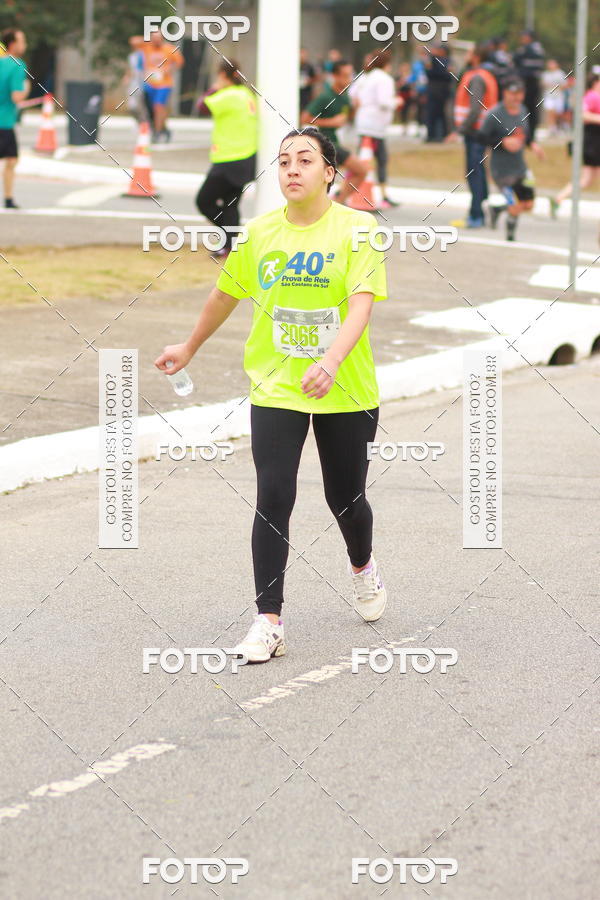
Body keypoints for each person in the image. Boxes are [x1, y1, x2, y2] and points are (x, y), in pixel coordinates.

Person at [154, 126, 388, 662]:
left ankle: (362, 565)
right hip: (276, 384)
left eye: (305, 160)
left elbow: (361, 304)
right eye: (283, 161)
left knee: (345, 498)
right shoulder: (258, 233)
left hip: (345, 387)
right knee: (273, 497)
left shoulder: (358, 229)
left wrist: (330, 362)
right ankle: (268, 621)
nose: (292, 170)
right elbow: (225, 293)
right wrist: (189, 346)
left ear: (330, 172)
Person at [195, 59, 257, 257]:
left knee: (204, 201)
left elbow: (201, 107)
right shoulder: (247, 94)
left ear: (223, 74)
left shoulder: (228, 95)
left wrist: (214, 88)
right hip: (247, 156)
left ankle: (230, 238)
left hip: (229, 158)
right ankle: (230, 246)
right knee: (231, 204)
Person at [478, 77, 544, 241]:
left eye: (520, 93)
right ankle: (510, 236)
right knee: (514, 205)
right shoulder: (494, 114)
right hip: (501, 170)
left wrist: (532, 145)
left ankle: (497, 210)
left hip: (520, 167)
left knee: (528, 204)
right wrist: (502, 142)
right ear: (505, 93)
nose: (516, 97)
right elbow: (481, 137)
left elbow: (524, 135)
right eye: (513, 93)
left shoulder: (523, 111)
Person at [301, 60, 372, 207]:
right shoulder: (326, 97)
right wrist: (331, 122)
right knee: (361, 170)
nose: (348, 79)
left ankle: (334, 203)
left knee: (324, 183)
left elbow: (345, 119)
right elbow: (305, 118)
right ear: (335, 76)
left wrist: (355, 109)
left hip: (337, 143)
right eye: (345, 76)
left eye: (350, 75)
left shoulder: (345, 96)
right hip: (326, 143)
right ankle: (338, 203)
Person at [451, 44, 499, 228]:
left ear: (477, 56)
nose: (466, 56)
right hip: (481, 130)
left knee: (473, 173)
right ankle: (484, 208)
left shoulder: (477, 77)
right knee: (478, 171)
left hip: (475, 132)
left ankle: (476, 214)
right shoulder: (486, 75)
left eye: (470, 53)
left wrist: (460, 129)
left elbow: (475, 108)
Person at [351, 50, 401, 207]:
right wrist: (397, 101)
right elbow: (384, 101)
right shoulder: (384, 79)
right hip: (376, 126)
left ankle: (349, 190)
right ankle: (382, 194)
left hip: (364, 122)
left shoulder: (365, 77)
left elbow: (353, 94)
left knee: (361, 158)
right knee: (381, 159)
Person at [552, 73, 600, 216]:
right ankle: (559, 198)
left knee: (587, 180)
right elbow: (582, 114)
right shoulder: (593, 96)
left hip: (594, 140)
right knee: (586, 179)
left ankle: (559, 198)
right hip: (593, 140)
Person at [0, 28, 29, 209]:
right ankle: (8, 198)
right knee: (11, 161)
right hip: (4, 122)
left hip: (5, 121)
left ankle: (9, 199)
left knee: (11, 158)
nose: (24, 45)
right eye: (22, 41)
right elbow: (17, 97)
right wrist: (26, 87)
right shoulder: (17, 64)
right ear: (12, 44)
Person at [140, 30, 183, 142]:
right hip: (149, 84)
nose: (156, 40)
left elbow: (179, 62)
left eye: (158, 37)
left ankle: (157, 133)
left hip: (164, 84)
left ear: (162, 38)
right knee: (150, 110)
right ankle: (164, 129)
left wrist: (169, 69)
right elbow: (133, 41)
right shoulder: (147, 47)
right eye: (154, 37)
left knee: (158, 107)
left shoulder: (169, 49)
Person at [513, 29, 545, 140]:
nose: (522, 39)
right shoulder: (539, 48)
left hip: (528, 83)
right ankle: (531, 135)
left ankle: (527, 136)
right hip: (535, 82)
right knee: (533, 109)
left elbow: (516, 59)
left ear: (529, 38)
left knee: (525, 108)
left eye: (524, 37)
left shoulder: (526, 49)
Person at [424, 44, 453, 142]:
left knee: (439, 115)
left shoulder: (445, 61)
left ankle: (440, 135)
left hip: (440, 92)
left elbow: (445, 75)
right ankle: (433, 135)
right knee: (433, 114)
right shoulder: (434, 60)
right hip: (435, 91)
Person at [541, 59, 567, 135]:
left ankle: (558, 126)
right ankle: (551, 128)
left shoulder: (560, 73)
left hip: (558, 96)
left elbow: (564, 85)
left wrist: (556, 87)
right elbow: (544, 84)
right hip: (549, 96)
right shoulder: (545, 74)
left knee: (558, 113)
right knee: (550, 111)